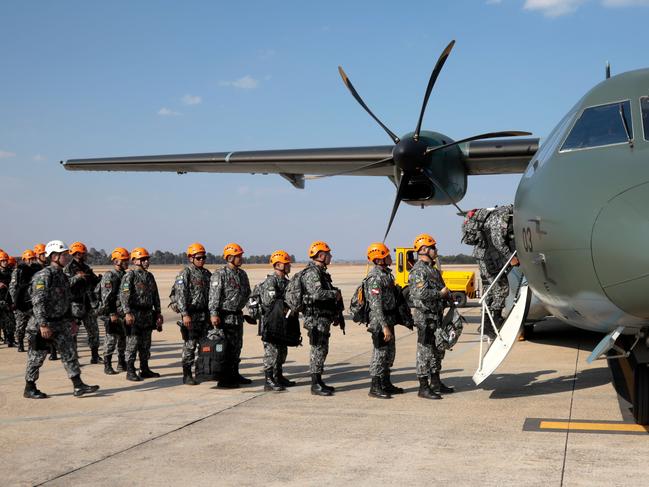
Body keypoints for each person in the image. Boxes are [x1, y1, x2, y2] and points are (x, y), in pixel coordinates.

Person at [23, 240, 99, 399]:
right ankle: (29, 387)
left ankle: (78, 385)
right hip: (43, 324)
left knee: (69, 353)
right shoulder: (44, 275)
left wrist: (71, 319)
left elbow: (67, 299)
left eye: (66, 254)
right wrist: (43, 324)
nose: (67, 257)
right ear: (54, 256)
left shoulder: (63, 276)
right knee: (37, 357)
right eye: (64, 255)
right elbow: (38, 301)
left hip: (61, 322)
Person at [408, 233, 454, 400]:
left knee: (436, 351)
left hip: (436, 316)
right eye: (433, 247)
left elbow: (442, 288)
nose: (436, 250)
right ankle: (423, 386)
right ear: (424, 249)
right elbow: (420, 293)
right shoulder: (419, 270)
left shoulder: (433, 270)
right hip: (425, 317)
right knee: (424, 351)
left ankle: (436, 382)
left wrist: (448, 296)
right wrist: (440, 294)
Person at [465, 205, 519, 338]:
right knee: (501, 287)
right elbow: (497, 241)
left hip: (483, 254)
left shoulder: (496, 214)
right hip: (487, 257)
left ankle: (487, 325)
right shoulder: (501, 216)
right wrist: (511, 258)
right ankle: (496, 320)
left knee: (488, 290)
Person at [300, 241, 344, 397]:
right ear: (320, 255)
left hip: (323, 318)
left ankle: (319, 381)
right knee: (317, 349)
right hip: (315, 319)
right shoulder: (312, 273)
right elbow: (318, 294)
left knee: (322, 349)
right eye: (328, 254)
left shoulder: (321, 272)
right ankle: (315, 384)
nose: (330, 256)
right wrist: (334, 294)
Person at [209, 243, 251, 388]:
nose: (241, 258)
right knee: (225, 348)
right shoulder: (220, 274)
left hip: (237, 316)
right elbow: (214, 296)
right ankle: (224, 379)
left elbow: (247, 294)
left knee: (237, 346)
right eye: (238, 256)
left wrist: (251, 311)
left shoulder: (242, 274)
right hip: (224, 316)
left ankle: (235, 374)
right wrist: (214, 314)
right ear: (230, 257)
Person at [364, 242, 402, 399]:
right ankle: (375, 386)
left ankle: (386, 383)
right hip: (380, 322)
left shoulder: (386, 274)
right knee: (379, 354)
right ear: (379, 259)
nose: (390, 257)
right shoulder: (374, 278)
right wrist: (384, 327)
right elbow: (375, 305)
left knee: (389, 353)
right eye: (386, 255)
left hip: (388, 319)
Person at [120, 247, 163, 382]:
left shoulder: (150, 276)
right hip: (134, 314)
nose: (146, 261)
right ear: (134, 261)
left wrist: (158, 313)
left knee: (146, 343)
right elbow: (124, 295)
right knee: (132, 343)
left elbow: (155, 296)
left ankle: (144, 369)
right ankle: (130, 370)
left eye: (147, 259)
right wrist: (127, 312)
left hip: (148, 314)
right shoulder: (130, 276)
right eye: (142, 259)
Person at [258, 250, 295, 392]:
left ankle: (278, 376)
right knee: (271, 352)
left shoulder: (286, 282)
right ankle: (268, 380)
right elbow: (270, 303)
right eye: (286, 264)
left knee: (282, 351)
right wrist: (286, 308)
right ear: (278, 265)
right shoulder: (270, 281)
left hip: (282, 323)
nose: (289, 266)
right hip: (271, 323)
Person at [175, 243, 212, 386]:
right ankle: (187, 374)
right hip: (191, 315)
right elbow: (180, 295)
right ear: (191, 258)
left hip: (205, 315)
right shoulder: (185, 273)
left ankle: (201, 371)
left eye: (204, 257)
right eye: (198, 258)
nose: (202, 260)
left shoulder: (207, 274)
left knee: (204, 346)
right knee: (190, 346)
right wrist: (185, 314)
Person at [65, 241, 102, 363]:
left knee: (93, 330)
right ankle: (74, 357)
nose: (85, 255)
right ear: (77, 254)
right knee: (73, 333)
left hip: (88, 303)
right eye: (83, 253)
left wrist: (100, 280)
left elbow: (94, 281)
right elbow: (64, 285)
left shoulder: (86, 268)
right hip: (75, 304)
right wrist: (76, 278)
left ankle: (95, 356)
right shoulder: (68, 269)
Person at [98, 248, 130, 375]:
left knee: (123, 338)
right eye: (124, 260)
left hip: (122, 313)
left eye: (127, 260)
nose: (126, 262)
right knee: (111, 339)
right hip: (112, 313)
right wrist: (112, 313)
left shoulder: (124, 275)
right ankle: (107, 364)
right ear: (116, 261)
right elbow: (106, 297)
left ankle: (121, 363)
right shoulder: (109, 275)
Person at [10, 249, 39, 352]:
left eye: (33, 258)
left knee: (34, 326)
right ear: (24, 259)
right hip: (21, 302)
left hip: (33, 302)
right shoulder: (18, 271)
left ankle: (33, 344)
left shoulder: (37, 269)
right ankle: (21, 343)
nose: (31, 261)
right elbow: (13, 287)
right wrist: (15, 302)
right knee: (20, 326)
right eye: (29, 259)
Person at [0, 251, 16, 347]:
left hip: (8, 300)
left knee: (10, 322)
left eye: (6, 261)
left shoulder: (11, 273)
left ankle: (10, 340)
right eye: (2, 261)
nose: (5, 262)